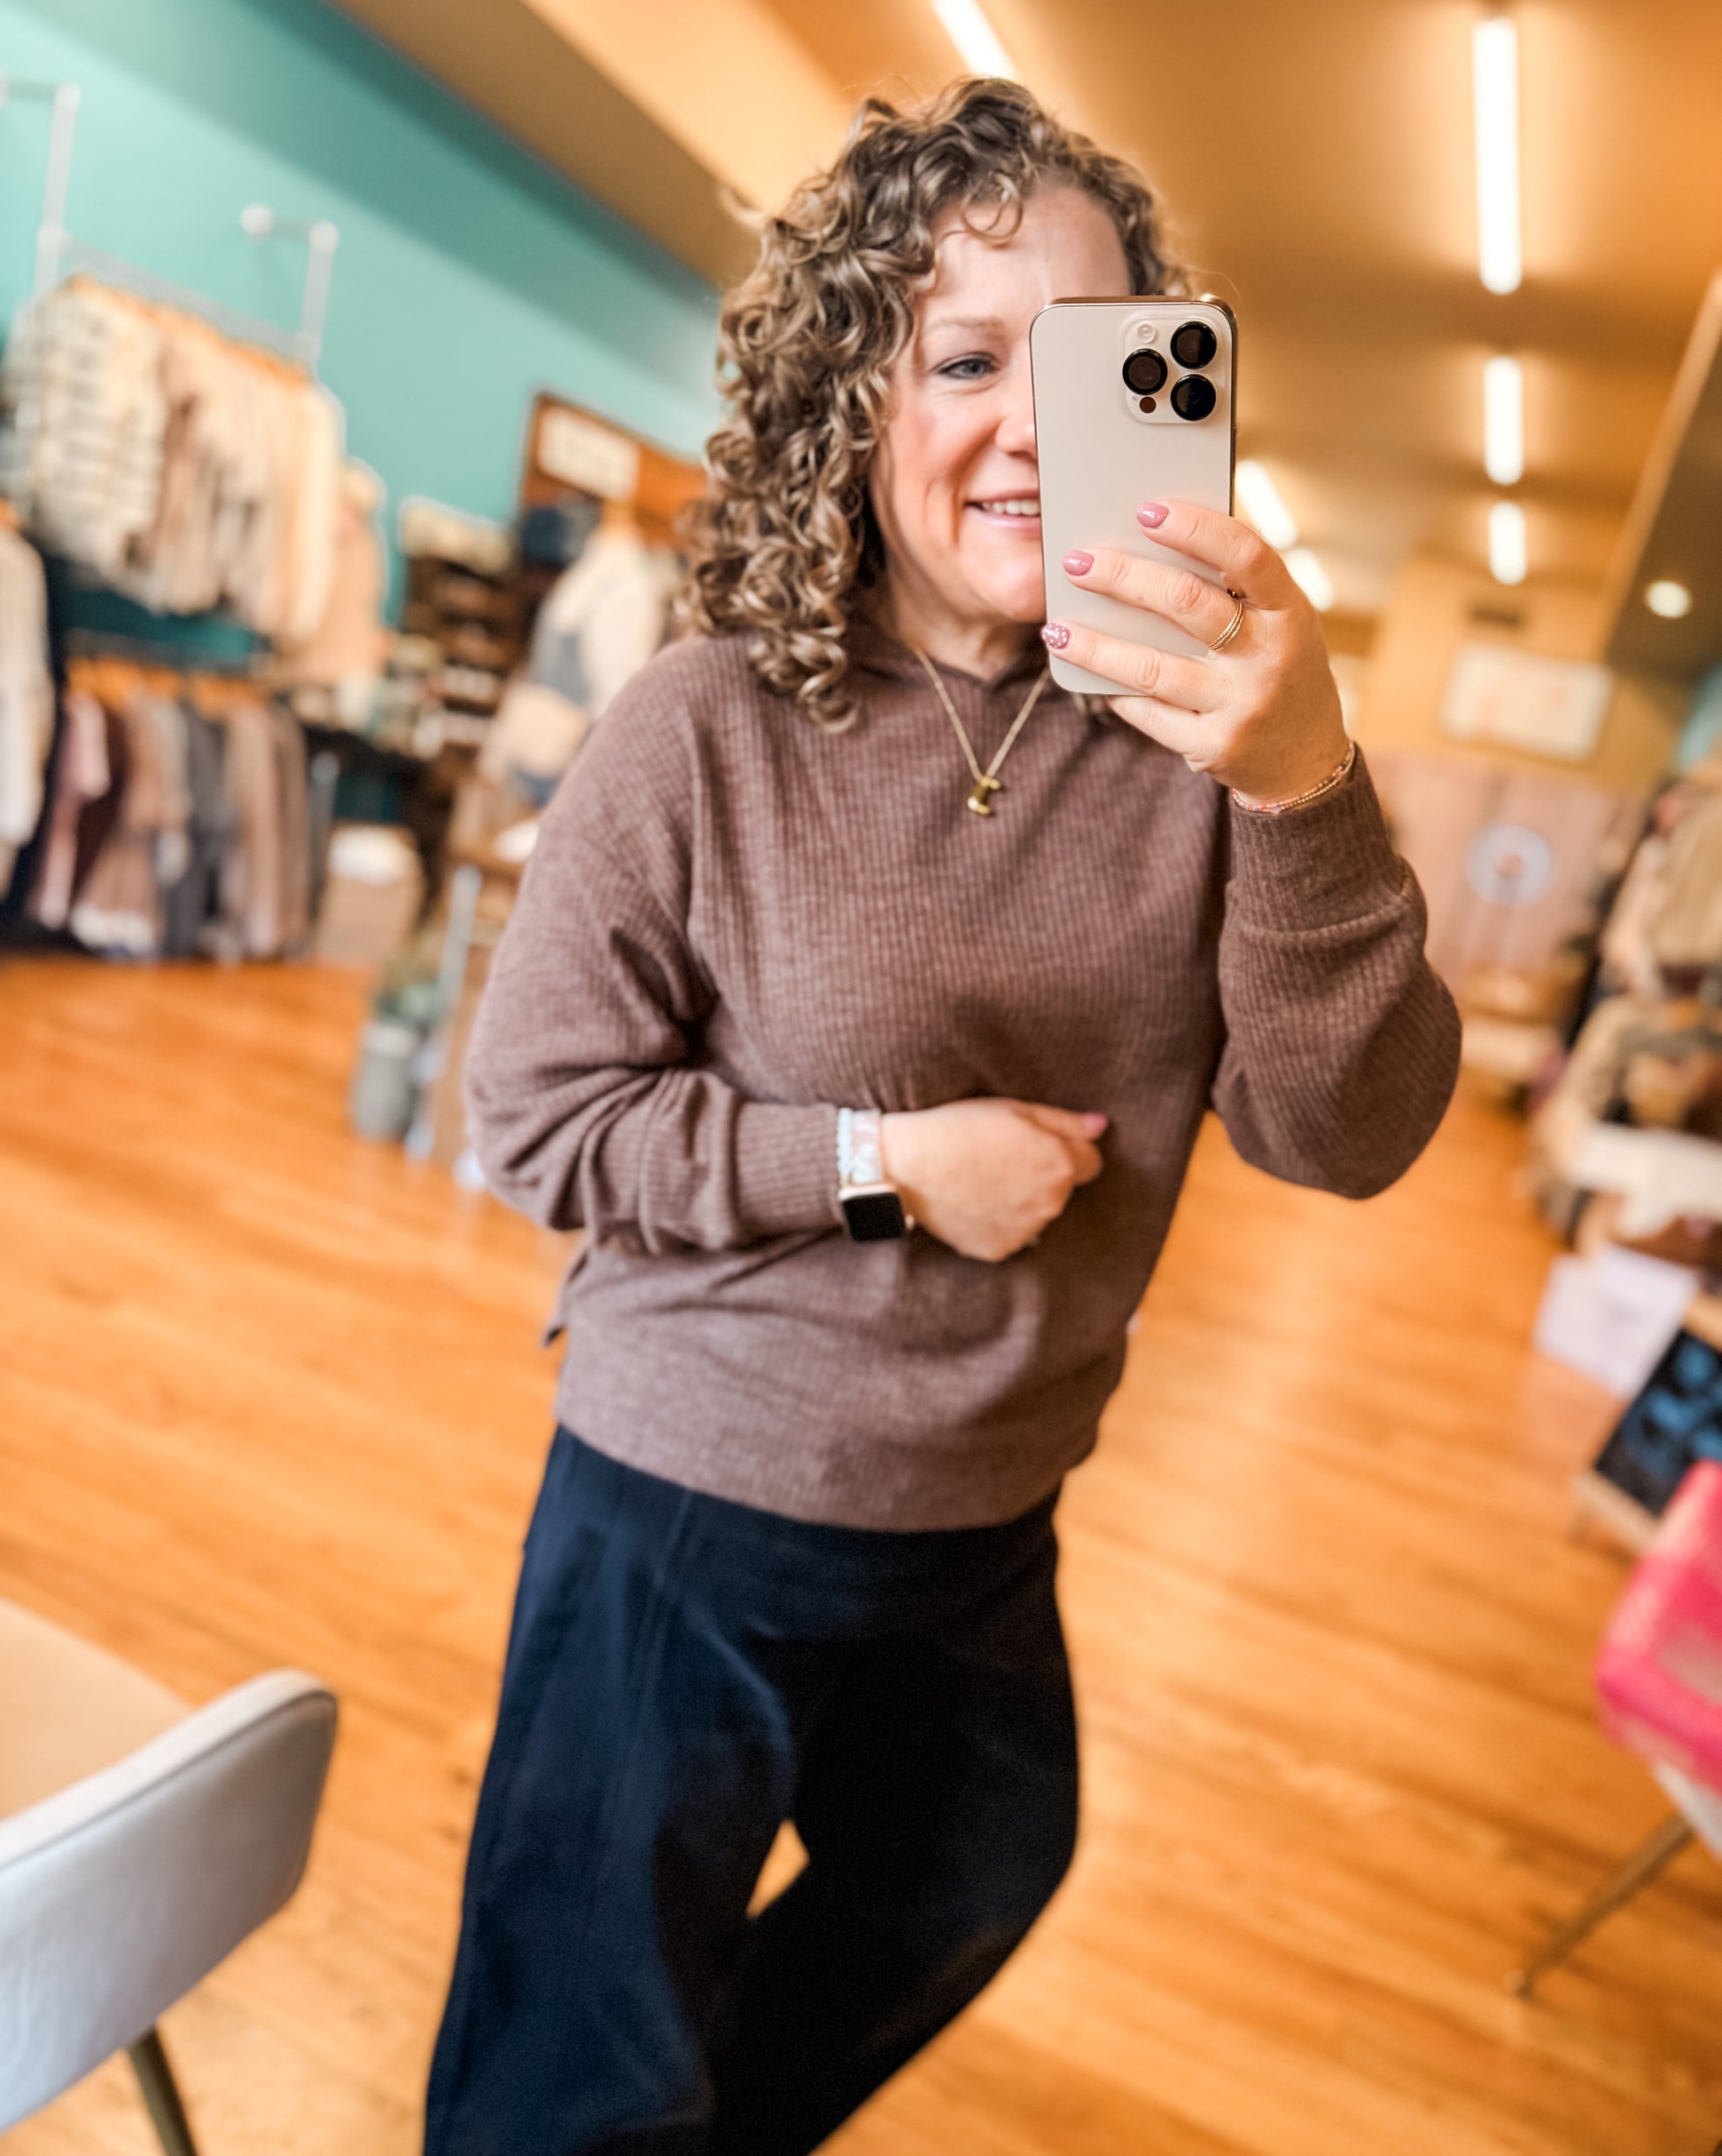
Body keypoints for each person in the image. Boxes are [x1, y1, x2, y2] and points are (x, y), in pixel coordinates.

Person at [425, 77, 1460, 2156]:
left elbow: (1342, 1134)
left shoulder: (1208, 744)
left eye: (1080, 366)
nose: (1025, 425)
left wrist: (1303, 786)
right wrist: (884, 1165)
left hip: (988, 1500)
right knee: (576, 2060)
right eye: (962, 358)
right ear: (852, 393)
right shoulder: (702, 722)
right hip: (694, 1488)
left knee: (970, 1862)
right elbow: (535, 1120)